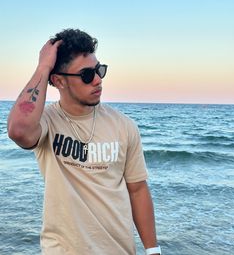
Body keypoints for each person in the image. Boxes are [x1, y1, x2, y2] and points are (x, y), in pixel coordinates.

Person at [8, 29, 161, 255]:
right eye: (87, 75)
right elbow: (18, 129)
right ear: (59, 81)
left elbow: (137, 190)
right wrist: (43, 67)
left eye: (100, 70)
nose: (98, 80)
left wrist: (153, 250)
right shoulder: (47, 122)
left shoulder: (124, 126)